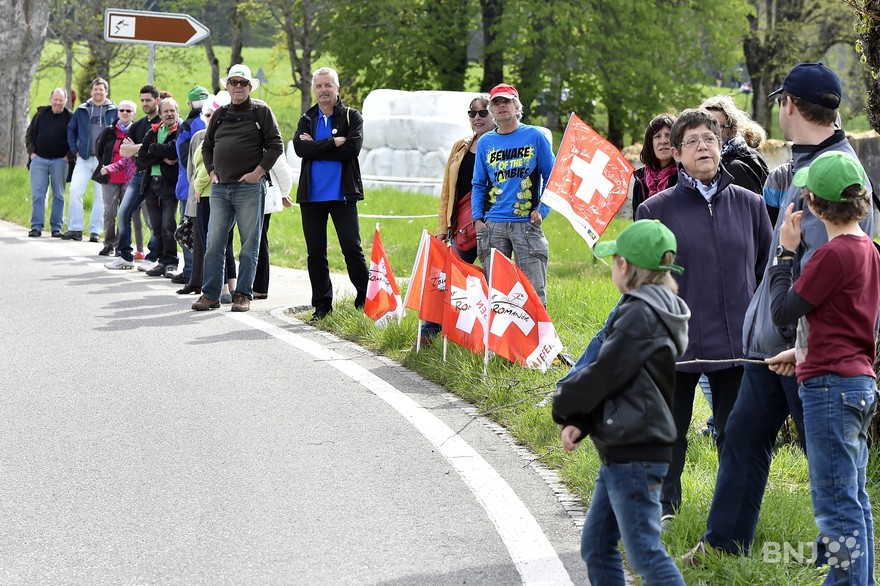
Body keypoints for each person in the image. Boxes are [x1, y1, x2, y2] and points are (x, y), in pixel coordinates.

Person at [685, 62, 874, 565]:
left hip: (807, 354)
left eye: (780, 102)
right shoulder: (803, 165)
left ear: (789, 104)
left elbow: (835, 276)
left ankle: (839, 566)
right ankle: (724, 547)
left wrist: (802, 345)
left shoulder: (836, 174)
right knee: (742, 438)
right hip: (771, 347)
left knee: (834, 471)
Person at [636, 108, 772, 522]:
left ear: (721, 145)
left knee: (737, 435)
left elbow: (766, 274)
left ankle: (733, 517)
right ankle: (664, 510)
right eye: (692, 141)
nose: (703, 147)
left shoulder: (751, 205)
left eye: (709, 139)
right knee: (668, 433)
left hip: (736, 346)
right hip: (676, 344)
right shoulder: (655, 210)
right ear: (676, 154)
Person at [552, 219, 689, 586]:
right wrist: (582, 421)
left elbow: (604, 372)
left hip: (635, 450)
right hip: (628, 444)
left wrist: (565, 405)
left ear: (624, 266)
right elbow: (622, 381)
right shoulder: (656, 308)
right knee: (597, 545)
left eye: (614, 261)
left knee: (644, 552)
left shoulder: (639, 313)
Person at [767, 151, 878, 586]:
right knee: (854, 499)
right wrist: (802, 353)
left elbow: (782, 311)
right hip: (858, 383)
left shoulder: (830, 255)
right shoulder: (869, 249)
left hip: (830, 389)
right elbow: (847, 322)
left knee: (835, 506)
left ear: (813, 204)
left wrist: (785, 252)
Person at [192, 64, 283, 313]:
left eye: (243, 83)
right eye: (234, 82)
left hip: (249, 189)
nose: (238, 87)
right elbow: (207, 146)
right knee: (214, 243)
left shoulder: (261, 111)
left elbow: (276, 145)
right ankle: (210, 295)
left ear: (250, 86)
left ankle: (242, 295)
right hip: (221, 188)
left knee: (249, 244)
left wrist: (257, 173)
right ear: (228, 86)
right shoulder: (220, 114)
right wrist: (212, 171)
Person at [292, 66, 369, 322]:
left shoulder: (351, 116)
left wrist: (315, 147)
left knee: (352, 249)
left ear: (337, 88)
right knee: (316, 253)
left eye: (328, 85)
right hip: (311, 197)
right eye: (319, 86)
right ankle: (322, 306)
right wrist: (332, 143)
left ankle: (366, 300)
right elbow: (300, 150)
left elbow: (352, 149)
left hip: (342, 195)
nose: (323, 90)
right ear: (314, 89)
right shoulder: (307, 118)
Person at [419, 93, 495, 344]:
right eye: (472, 113)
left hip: (492, 224)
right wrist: (443, 226)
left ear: (494, 114)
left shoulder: (501, 145)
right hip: (461, 227)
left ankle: (489, 340)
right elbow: (447, 190)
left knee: (493, 282)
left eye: (483, 112)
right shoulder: (460, 146)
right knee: (447, 278)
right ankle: (430, 332)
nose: (477, 117)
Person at [471, 83, 555, 305]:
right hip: (493, 226)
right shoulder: (486, 142)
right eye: (496, 103)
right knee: (496, 293)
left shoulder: (535, 136)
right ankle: (500, 330)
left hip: (526, 224)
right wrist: (478, 220)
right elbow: (478, 183)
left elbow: (553, 177)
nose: (501, 106)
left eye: (506, 101)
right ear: (492, 110)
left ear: (517, 107)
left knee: (534, 292)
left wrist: (542, 210)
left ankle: (537, 329)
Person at [184, 92, 238, 302]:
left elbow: (209, 167)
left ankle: (222, 289)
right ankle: (230, 286)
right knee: (224, 243)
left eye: (212, 114)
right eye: (206, 115)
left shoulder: (217, 136)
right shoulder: (208, 135)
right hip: (212, 194)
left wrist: (197, 187)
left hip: (209, 194)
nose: (208, 119)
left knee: (213, 244)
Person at [106, 84, 161, 270]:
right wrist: (146, 148)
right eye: (142, 100)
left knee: (155, 219)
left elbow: (160, 149)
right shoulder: (138, 125)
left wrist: (138, 149)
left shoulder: (162, 123)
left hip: (157, 175)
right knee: (123, 213)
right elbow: (123, 150)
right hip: (139, 175)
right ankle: (125, 256)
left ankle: (153, 257)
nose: (145, 103)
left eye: (148, 100)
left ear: (157, 100)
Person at [63, 77, 118, 242]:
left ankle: (95, 231)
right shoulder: (82, 110)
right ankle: (75, 229)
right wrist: (75, 150)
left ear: (106, 92)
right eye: (95, 89)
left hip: (104, 161)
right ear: (91, 91)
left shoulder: (114, 110)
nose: (98, 92)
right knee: (75, 191)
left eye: (101, 89)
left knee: (101, 197)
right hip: (84, 158)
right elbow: (71, 130)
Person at [171, 85, 210, 285]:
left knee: (188, 229)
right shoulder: (215, 122)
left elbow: (186, 159)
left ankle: (190, 272)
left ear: (189, 104)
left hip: (190, 186)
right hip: (212, 186)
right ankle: (204, 273)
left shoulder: (187, 126)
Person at [139, 98, 181, 278]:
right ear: (160, 114)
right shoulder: (153, 131)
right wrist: (162, 157)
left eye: (172, 111)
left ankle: (171, 263)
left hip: (169, 185)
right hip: (151, 184)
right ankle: (161, 262)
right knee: (156, 227)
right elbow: (142, 158)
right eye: (166, 111)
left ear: (177, 113)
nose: (169, 114)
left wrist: (154, 150)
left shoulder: (179, 131)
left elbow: (174, 152)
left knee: (168, 226)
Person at [700, 94, 770, 197]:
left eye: (717, 127)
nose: (709, 132)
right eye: (704, 126)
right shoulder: (710, 163)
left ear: (733, 130)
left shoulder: (734, 168)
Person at [25, 87, 72, 238]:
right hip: (39, 160)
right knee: (38, 195)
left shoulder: (70, 117)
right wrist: (32, 153)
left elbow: (76, 138)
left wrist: (68, 156)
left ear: (65, 101)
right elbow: (29, 134)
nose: (58, 102)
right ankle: (36, 226)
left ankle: (56, 227)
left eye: (61, 100)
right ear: (50, 100)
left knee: (58, 195)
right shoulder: (41, 114)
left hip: (60, 161)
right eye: (55, 99)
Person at [93, 99, 136, 256]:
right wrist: (106, 167)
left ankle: (121, 245)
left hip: (129, 179)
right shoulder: (109, 131)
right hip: (110, 178)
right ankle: (109, 243)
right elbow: (99, 150)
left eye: (128, 111)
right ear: (118, 113)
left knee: (125, 214)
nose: (125, 113)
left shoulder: (136, 131)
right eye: (122, 110)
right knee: (109, 212)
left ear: (134, 114)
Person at [253, 146, 295, 300]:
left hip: (264, 194)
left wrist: (283, 194)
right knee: (257, 239)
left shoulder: (269, 140)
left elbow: (282, 171)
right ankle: (256, 285)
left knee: (259, 239)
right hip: (253, 193)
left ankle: (259, 287)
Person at [631, 114, 677, 215]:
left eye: (668, 135)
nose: (663, 141)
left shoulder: (684, 176)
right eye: (657, 136)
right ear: (650, 143)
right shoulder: (640, 178)